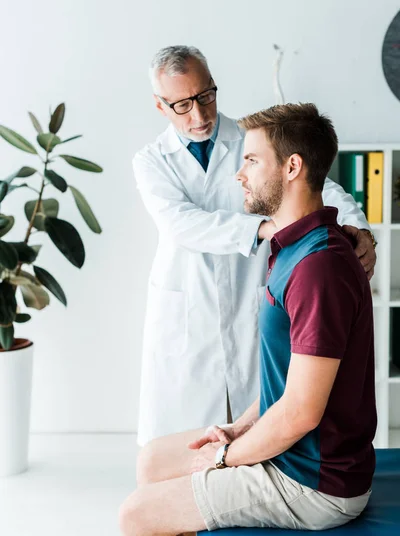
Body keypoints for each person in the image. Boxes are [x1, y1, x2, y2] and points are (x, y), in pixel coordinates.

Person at [120, 102, 376, 534]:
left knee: (137, 514)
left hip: (316, 483)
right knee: (153, 460)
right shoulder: (292, 248)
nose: (239, 174)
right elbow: (287, 382)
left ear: (292, 167)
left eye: (252, 161)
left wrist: (223, 458)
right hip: (296, 454)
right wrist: (238, 429)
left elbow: (299, 413)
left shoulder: (319, 267)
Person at [133, 45, 376, 446]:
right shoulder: (151, 161)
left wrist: (358, 227)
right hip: (189, 307)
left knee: (255, 429)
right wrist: (265, 227)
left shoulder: (250, 138)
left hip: (251, 295)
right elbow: (180, 225)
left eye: (206, 95)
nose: (199, 114)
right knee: (180, 443)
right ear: (161, 107)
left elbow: (316, 184)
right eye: (182, 105)